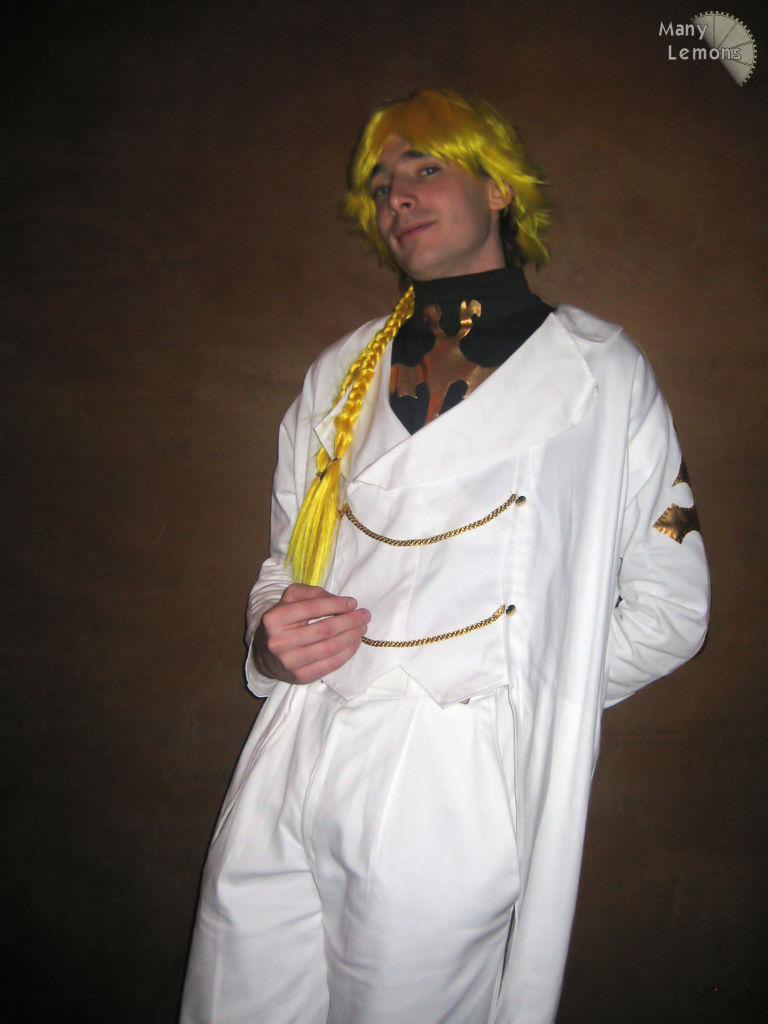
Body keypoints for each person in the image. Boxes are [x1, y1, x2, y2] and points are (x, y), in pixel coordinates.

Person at [180, 88, 709, 1024]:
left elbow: (672, 611)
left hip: (450, 779)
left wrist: (519, 694)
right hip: (295, 747)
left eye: (427, 168)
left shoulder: (601, 372)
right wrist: (273, 643)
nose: (399, 197)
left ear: (499, 189)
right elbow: (285, 563)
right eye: (382, 184)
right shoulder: (339, 372)